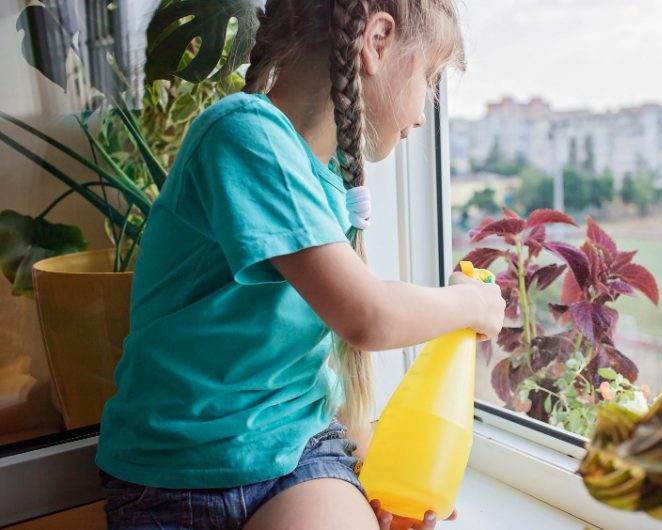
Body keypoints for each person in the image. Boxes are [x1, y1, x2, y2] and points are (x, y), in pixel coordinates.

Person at [94, 1, 505, 528]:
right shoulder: (242, 134)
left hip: (299, 457)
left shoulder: (325, 178)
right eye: (428, 77)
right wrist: (470, 303)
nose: (426, 112)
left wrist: (362, 489)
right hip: (176, 468)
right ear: (377, 42)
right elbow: (368, 317)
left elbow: (304, 357)